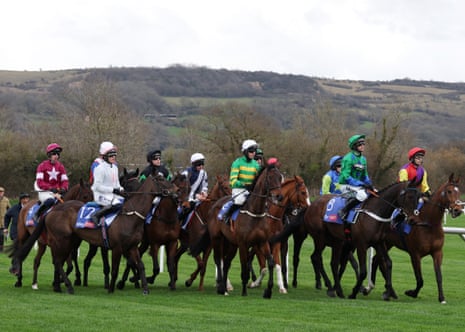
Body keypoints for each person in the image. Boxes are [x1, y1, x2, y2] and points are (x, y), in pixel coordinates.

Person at [338, 135, 373, 238]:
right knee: (362, 195)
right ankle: (344, 211)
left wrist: (370, 184)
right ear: (354, 146)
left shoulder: (363, 159)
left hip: (357, 186)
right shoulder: (348, 158)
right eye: (360, 144)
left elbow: (364, 175)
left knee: (375, 193)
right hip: (345, 185)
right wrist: (360, 184)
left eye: (363, 144)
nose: (363, 146)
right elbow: (346, 176)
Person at [218, 139, 261, 221]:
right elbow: (233, 181)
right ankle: (226, 215)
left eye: (255, 151)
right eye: (251, 151)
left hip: (251, 190)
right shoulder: (237, 163)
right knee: (240, 201)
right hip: (239, 190)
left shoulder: (256, 164)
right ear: (245, 151)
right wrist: (244, 185)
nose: (254, 153)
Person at [90, 142, 125, 226]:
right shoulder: (98, 167)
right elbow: (97, 186)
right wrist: (113, 190)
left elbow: (117, 184)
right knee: (117, 204)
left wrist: (121, 189)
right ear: (105, 156)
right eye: (111, 155)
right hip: (101, 195)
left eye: (114, 155)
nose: (114, 157)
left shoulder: (115, 167)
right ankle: (96, 215)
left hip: (112, 194)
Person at [34, 143, 69, 221]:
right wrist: (50, 188)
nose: (56, 156)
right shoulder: (41, 166)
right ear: (49, 155)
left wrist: (64, 188)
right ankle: (37, 215)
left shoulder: (61, 166)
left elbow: (65, 180)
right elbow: (39, 182)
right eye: (54, 154)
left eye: (58, 154)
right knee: (50, 201)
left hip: (58, 192)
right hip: (45, 191)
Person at [180, 153, 208, 227]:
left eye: (202, 164)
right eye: (199, 165)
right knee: (180, 212)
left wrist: (203, 192)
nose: (201, 166)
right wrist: (195, 196)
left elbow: (205, 186)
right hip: (186, 199)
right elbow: (182, 190)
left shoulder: (204, 173)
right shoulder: (186, 173)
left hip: (198, 198)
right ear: (193, 164)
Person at [0, 187, 11, 251]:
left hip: (3, 221)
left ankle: (1, 249)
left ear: (3, 193)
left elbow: (9, 209)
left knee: (1, 235)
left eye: (1, 192)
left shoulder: (6, 200)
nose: (0, 193)